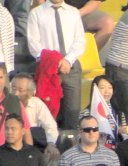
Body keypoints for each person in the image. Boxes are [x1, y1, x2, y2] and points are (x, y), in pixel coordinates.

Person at [27, 0, 85, 130]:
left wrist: (67, 60)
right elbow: (33, 44)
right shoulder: (36, 13)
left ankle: (69, 146)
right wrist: (55, 62)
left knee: (72, 113)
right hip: (49, 70)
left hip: (72, 68)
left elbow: (80, 41)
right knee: (49, 114)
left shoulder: (73, 12)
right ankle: (50, 146)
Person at [10, 74, 60, 164]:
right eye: (13, 89)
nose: (16, 93)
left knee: (52, 153)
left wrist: (51, 144)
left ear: (30, 92)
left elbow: (50, 125)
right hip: (10, 145)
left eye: (20, 90)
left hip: (33, 146)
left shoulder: (37, 103)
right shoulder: (5, 103)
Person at [79, 75, 128, 150]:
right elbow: (80, 136)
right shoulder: (86, 113)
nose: (107, 91)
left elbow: (125, 138)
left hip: (117, 151)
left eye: (110, 87)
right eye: (102, 88)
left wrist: (122, 133)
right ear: (95, 90)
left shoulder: (119, 113)